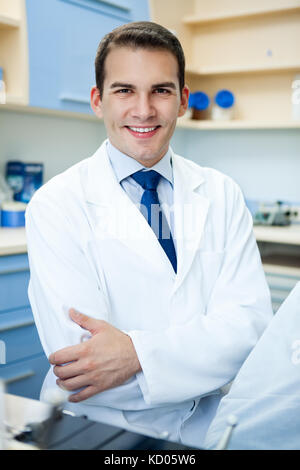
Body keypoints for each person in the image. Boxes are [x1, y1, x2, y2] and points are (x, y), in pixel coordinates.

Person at [25, 21, 273, 447]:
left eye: (161, 90)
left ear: (182, 101)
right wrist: (198, 354)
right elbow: (81, 366)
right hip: (97, 426)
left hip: (205, 424)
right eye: (124, 90)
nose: (143, 110)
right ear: (97, 101)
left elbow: (248, 334)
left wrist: (134, 354)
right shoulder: (56, 204)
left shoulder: (221, 193)